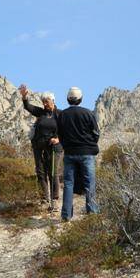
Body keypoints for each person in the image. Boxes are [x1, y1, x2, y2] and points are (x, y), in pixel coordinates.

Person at [57, 87, 100, 222]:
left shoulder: (62, 115)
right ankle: (92, 213)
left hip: (69, 153)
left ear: (68, 99)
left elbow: (60, 134)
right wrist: (90, 144)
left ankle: (66, 215)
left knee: (68, 183)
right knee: (89, 183)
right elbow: (96, 133)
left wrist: (66, 145)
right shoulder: (88, 113)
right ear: (81, 99)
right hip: (87, 153)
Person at [19, 84, 62, 211]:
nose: (45, 104)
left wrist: (59, 139)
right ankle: (44, 199)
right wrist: (24, 97)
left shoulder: (60, 114)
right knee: (40, 172)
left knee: (53, 172)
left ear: (53, 101)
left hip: (54, 147)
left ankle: (54, 201)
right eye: (43, 102)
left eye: (47, 101)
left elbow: (67, 130)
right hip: (38, 146)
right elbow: (28, 107)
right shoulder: (41, 112)